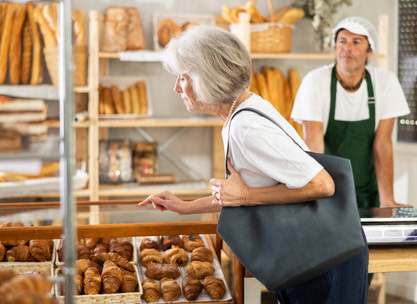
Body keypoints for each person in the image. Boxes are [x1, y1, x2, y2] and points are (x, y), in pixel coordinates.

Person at [139, 25, 369, 303]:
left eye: (183, 77)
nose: (177, 87)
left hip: (326, 261)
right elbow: (241, 194)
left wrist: (246, 195)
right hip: (309, 256)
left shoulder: (245, 127)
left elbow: (322, 184)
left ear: (207, 78)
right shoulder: (243, 110)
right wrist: (185, 207)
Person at [291, 16, 410, 209]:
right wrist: (313, 198)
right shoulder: (315, 81)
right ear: (335, 47)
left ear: (369, 51)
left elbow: (382, 145)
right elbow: (313, 144)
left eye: (356, 42)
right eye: (342, 41)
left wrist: (388, 202)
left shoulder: (385, 82)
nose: (347, 48)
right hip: (328, 192)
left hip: (370, 192)